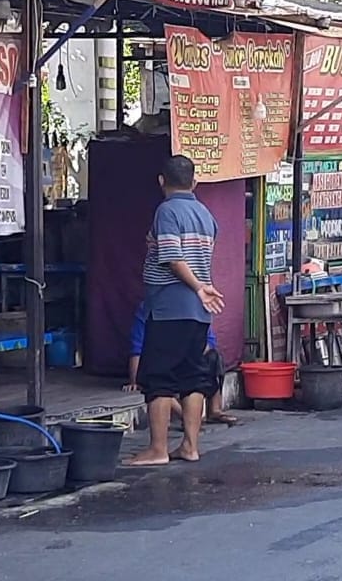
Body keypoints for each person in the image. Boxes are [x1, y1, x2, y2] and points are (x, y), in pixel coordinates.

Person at [126, 155, 223, 466]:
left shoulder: (167, 211)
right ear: (194, 182)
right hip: (199, 312)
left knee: (158, 378)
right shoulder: (206, 214)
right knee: (192, 376)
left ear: (161, 181)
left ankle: (157, 449)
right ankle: (190, 446)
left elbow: (172, 257)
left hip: (170, 306)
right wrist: (201, 289)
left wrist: (196, 286)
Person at [123, 300, 237, 425]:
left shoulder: (195, 309)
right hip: (163, 361)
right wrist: (134, 380)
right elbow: (137, 347)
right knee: (158, 382)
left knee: (214, 358)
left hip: (190, 360)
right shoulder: (149, 309)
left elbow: (208, 343)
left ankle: (214, 410)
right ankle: (186, 417)